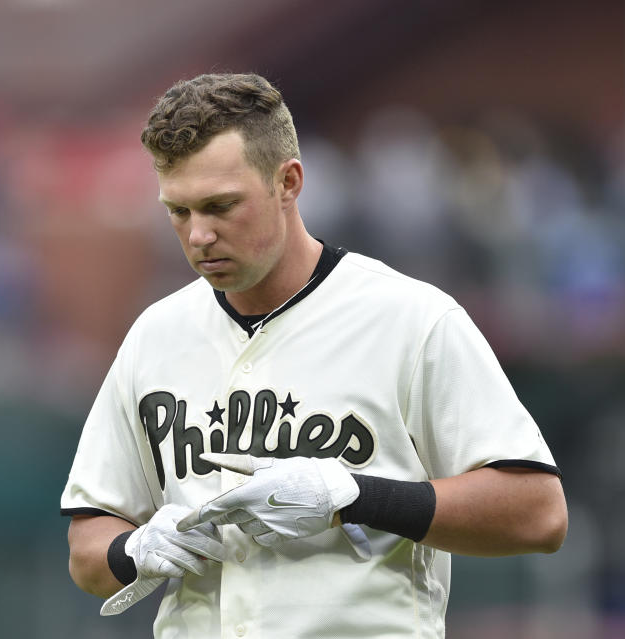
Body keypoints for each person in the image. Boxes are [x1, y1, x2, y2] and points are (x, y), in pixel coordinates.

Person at [61, 72, 568, 639]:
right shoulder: (156, 334)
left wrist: (354, 495)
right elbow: (88, 545)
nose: (199, 234)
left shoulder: (411, 318)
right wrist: (137, 547)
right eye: (178, 211)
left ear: (289, 182)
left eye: (221, 205)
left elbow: (537, 512)